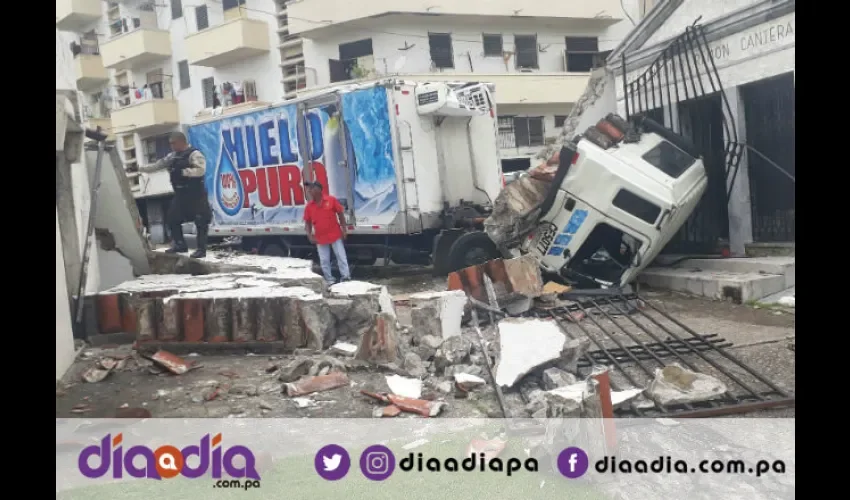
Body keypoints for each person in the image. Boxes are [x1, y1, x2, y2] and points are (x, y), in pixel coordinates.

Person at [139, 131, 212, 258]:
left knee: (201, 221)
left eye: (173, 143)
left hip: (196, 194)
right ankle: (180, 245)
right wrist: (141, 169)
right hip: (180, 194)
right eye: (170, 144)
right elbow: (159, 165)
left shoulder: (194, 154)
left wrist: (184, 172)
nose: (171, 146)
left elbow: (201, 170)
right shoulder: (172, 156)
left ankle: (201, 249)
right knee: (172, 219)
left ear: (181, 142)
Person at [303, 181, 351, 285]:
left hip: (335, 234)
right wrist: (309, 235)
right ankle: (329, 279)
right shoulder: (309, 207)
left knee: (341, 256)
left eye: (312, 188)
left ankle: (346, 276)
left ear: (319, 189)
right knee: (324, 260)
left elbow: (340, 214)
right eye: (309, 189)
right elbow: (307, 223)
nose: (310, 191)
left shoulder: (331, 200)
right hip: (320, 237)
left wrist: (344, 229)